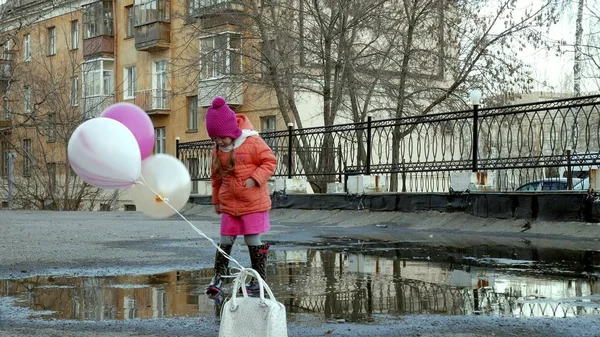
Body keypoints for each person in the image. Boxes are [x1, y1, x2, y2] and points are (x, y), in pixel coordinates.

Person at [204, 96, 277, 297]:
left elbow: (270, 161)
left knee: (253, 239)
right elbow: (216, 177)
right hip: (229, 203)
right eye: (215, 139)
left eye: (222, 138)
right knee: (225, 240)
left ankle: (259, 278)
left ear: (232, 132)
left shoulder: (252, 142)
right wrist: (217, 199)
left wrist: (255, 179)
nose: (219, 142)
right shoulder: (218, 150)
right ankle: (218, 276)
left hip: (253, 202)